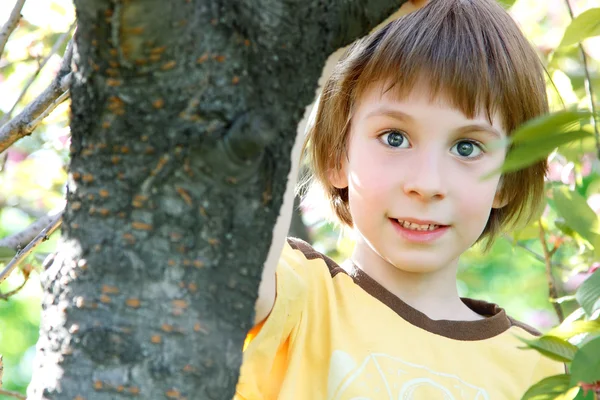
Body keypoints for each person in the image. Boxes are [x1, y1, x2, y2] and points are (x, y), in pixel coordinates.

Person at [235, 0, 565, 398]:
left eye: (466, 147)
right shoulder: (297, 294)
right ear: (338, 155)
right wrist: (325, 58)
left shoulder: (543, 370)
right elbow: (238, 285)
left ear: (506, 180)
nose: (426, 184)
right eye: (395, 137)